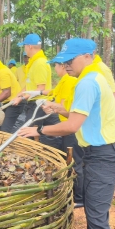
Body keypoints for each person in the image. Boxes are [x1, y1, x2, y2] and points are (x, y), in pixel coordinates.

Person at [18, 38, 115, 229]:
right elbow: (82, 113)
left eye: (70, 60)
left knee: (98, 220)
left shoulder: (87, 82)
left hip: (105, 156)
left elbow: (73, 126)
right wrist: (58, 109)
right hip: (98, 153)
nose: (66, 65)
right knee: (93, 207)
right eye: (63, 61)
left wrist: (39, 131)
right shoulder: (93, 77)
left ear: (88, 56)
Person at [39, 59, 84, 207]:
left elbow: (65, 107)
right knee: (70, 160)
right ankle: (75, 194)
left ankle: (79, 198)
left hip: (70, 126)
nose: (55, 69)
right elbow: (55, 97)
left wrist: (54, 106)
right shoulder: (64, 81)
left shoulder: (69, 81)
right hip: (67, 123)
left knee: (75, 162)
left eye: (56, 66)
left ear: (62, 66)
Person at [13, 33, 61, 129]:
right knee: (33, 132)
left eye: (25, 46)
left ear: (30, 46)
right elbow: (28, 86)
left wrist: (22, 98)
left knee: (28, 132)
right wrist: (17, 96)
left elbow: (40, 88)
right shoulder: (33, 63)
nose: (24, 49)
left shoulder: (40, 63)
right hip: (33, 103)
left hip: (40, 104)